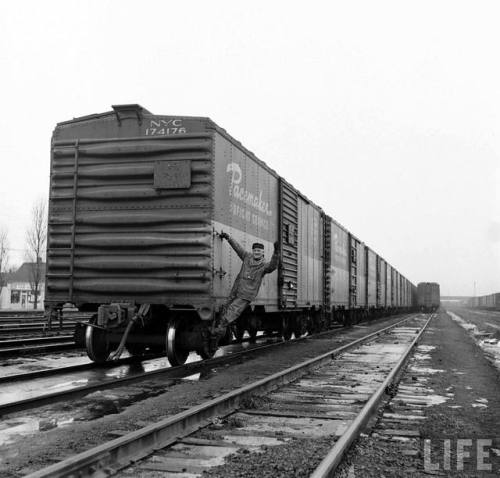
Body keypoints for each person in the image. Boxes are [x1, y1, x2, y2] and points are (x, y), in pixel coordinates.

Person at [213, 232, 280, 340]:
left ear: (263, 252)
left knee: (233, 311)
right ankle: (219, 328)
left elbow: (273, 265)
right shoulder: (247, 257)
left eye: (259, 251)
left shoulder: (264, 266)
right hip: (236, 289)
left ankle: (218, 331)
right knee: (226, 308)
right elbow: (237, 248)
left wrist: (276, 252)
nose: (256, 252)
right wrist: (229, 238)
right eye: (255, 250)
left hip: (246, 294)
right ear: (252, 251)